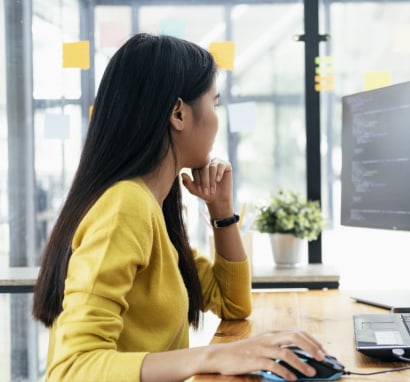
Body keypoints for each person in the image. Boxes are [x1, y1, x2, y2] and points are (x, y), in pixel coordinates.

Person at [32, 33, 326, 382]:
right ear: (178, 113)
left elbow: (233, 304)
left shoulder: (153, 206)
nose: (217, 120)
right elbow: (71, 370)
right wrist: (211, 356)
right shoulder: (126, 206)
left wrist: (221, 210)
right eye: (214, 104)